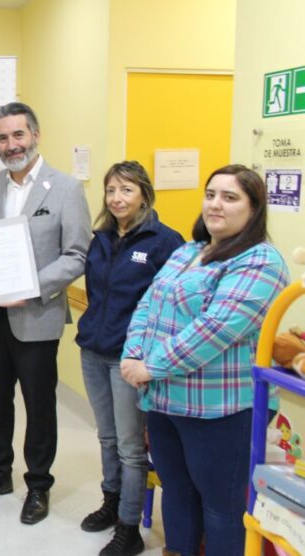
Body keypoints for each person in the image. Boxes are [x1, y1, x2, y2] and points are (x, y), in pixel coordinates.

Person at [121, 164, 289, 556]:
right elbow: (148, 304)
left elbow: (215, 329)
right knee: (177, 492)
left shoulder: (261, 261)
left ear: (254, 209)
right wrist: (133, 354)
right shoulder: (189, 251)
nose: (215, 204)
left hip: (222, 410)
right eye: (211, 194)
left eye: (230, 198)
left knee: (220, 506)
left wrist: (150, 366)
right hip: (165, 401)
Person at [0, 102, 90, 525]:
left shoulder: (66, 189)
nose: (11, 144)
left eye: (18, 134)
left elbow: (77, 255)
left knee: (39, 407)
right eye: (2, 137)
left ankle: (38, 485)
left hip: (37, 317)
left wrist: (31, 287)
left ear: (35, 135)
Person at [75, 161, 183, 555]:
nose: (117, 198)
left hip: (130, 359)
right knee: (106, 436)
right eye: (111, 190)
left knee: (130, 446)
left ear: (144, 195)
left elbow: (171, 304)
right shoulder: (101, 237)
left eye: (127, 190)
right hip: (93, 349)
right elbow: (94, 292)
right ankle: (111, 501)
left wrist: (148, 354)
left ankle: (129, 526)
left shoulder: (164, 242)